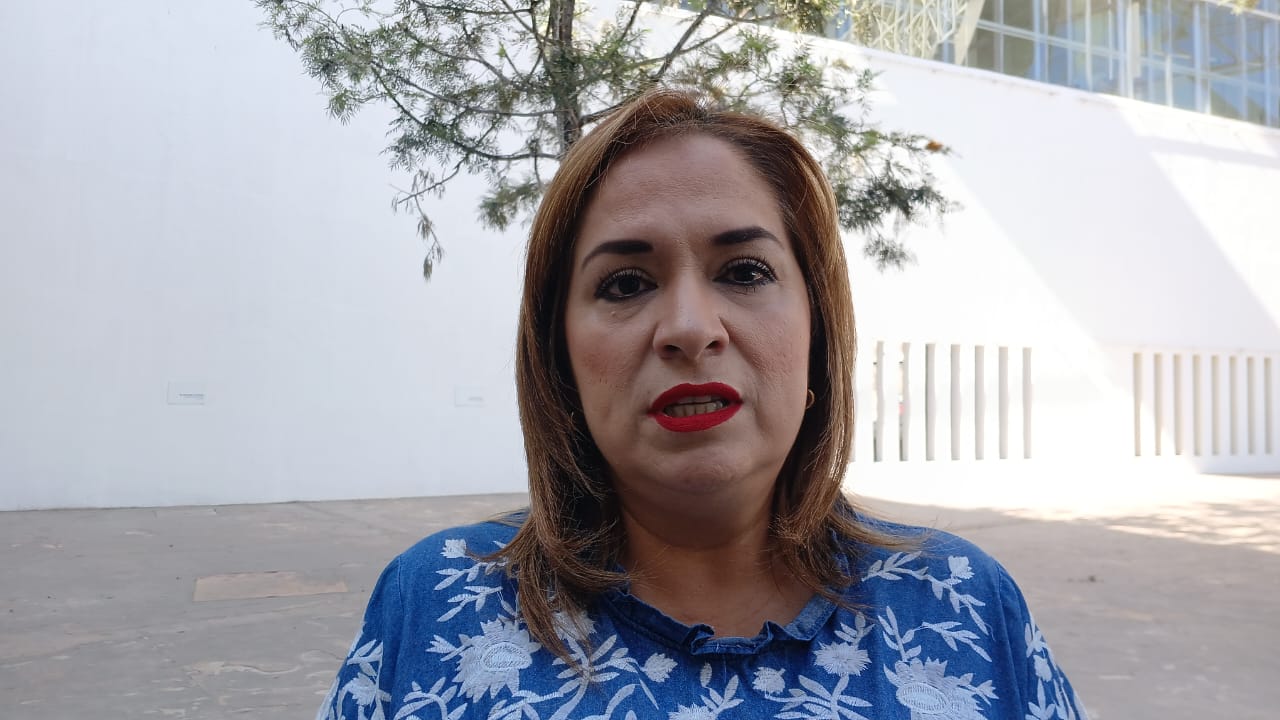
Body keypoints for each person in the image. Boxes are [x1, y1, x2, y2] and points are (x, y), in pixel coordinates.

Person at [316, 89, 1088, 720]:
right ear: (560, 359)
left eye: (745, 272)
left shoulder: (965, 604)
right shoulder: (434, 603)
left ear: (817, 331)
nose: (690, 328)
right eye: (626, 284)